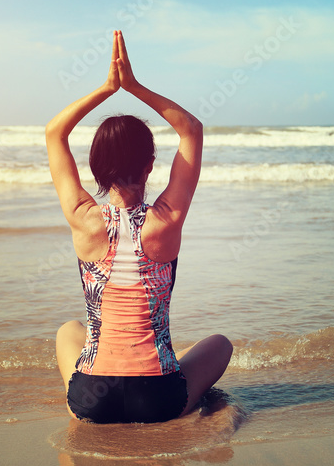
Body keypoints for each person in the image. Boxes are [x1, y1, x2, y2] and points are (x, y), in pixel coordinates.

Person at [46, 30, 233, 423]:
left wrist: (107, 88)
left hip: (93, 401)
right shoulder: (166, 219)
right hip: (159, 400)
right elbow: (191, 130)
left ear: (94, 169)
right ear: (150, 165)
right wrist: (134, 87)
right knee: (220, 345)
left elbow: (54, 132)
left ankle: (85, 397)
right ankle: (162, 369)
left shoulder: (83, 216)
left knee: (68, 330)